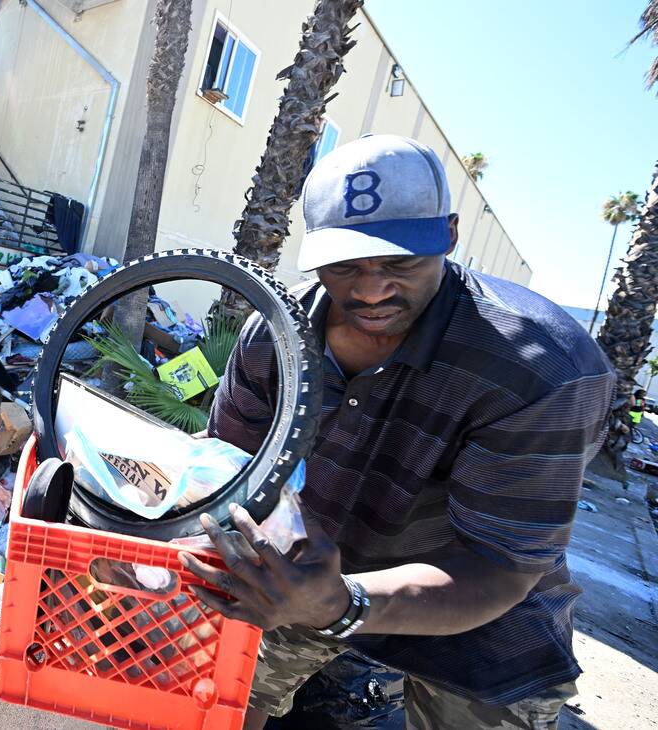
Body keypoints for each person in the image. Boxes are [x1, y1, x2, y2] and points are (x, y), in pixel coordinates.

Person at [181, 134, 615, 729]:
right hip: (303, 578)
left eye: (400, 262)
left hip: (478, 620)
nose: (370, 289)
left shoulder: (537, 369)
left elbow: (499, 565)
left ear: (451, 236)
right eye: (346, 266)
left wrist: (342, 603)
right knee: (209, 699)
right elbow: (227, 470)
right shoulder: (274, 338)